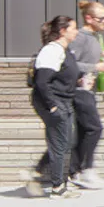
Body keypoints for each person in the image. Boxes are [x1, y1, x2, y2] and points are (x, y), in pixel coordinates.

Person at [25, 11, 79, 197]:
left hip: (64, 100)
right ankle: (57, 187)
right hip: (54, 101)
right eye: (74, 28)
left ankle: (54, 178)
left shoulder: (65, 51)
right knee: (59, 144)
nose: (76, 32)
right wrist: (52, 106)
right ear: (63, 31)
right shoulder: (52, 51)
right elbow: (42, 81)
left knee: (68, 142)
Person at [64, 0, 104, 191]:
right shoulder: (80, 37)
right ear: (89, 18)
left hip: (88, 90)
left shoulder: (95, 38)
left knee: (84, 131)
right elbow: (69, 64)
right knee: (95, 128)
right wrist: (95, 67)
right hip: (79, 91)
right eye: (101, 19)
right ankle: (85, 169)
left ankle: (76, 171)